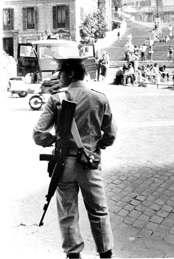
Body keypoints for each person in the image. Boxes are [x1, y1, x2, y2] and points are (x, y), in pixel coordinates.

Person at [33, 57, 117, 259]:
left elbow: (38, 134)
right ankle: (105, 254)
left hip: (64, 165)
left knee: (68, 212)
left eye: (60, 73)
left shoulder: (56, 99)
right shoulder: (99, 98)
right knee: (98, 211)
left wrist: (53, 139)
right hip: (89, 163)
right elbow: (111, 134)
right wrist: (98, 146)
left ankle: (73, 255)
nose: (58, 77)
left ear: (70, 74)